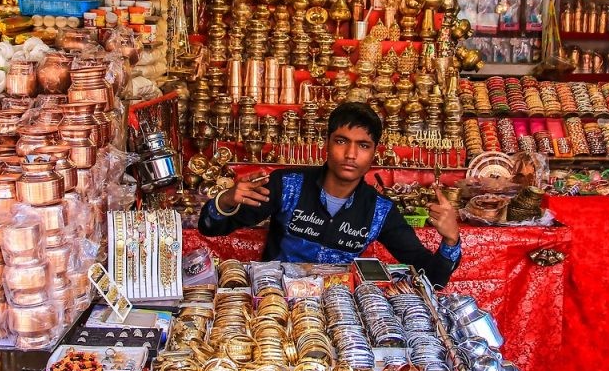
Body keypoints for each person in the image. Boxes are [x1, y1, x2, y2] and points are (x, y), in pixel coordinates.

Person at [198, 102, 462, 286]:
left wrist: (451, 241)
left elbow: (432, 278)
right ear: (326, 144)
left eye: (363, 145)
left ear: (374, 154)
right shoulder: (288, 185)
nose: (350, 154)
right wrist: (225, 200)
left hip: (340, 311)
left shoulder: (379, 210)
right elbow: (211, 229)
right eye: (341, 141)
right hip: (276, 302)